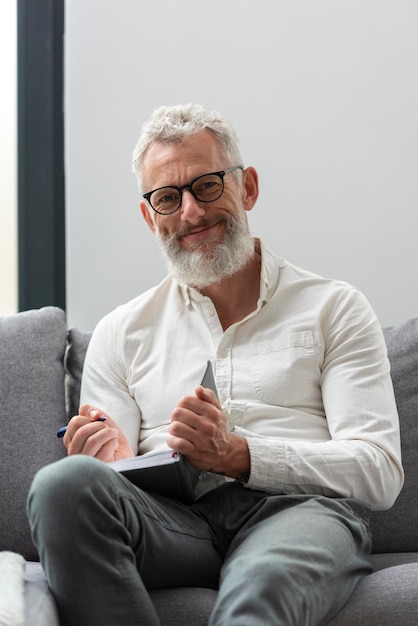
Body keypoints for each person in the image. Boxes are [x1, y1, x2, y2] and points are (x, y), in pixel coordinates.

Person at [27, 103, 404, 626]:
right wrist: (110, 462)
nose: (191, 213)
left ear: (246, 187)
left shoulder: (334, 307)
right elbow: (113, 474)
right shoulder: (122, 331)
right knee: (63, 483)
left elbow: (379, 472)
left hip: (297, 513)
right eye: (167, 198)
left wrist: (239, 454)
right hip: (175, 522)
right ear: (149, 216)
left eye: (207, 186)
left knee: (260, 591)